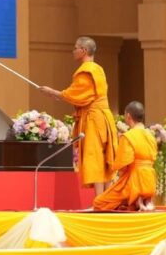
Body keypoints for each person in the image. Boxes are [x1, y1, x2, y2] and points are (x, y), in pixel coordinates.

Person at [40, 36, 118, 196]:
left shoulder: (86, 71)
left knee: (95, 157)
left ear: (84, 50)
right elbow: (81, 96)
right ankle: (106, 199)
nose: (73, 51)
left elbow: (75, 94)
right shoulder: (99, 69)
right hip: (104, 117)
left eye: (75, 48)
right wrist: (59, 95)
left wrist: (52, 92)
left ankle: (100, 200)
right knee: (104, 157)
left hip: (94, 118)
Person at [93, 101, 156, 211]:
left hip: (134, 182)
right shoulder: (151, 136)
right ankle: (139, 201)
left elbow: (122, 166)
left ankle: (134, 199)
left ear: (128, 116)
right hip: (150, 182)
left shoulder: (128, 136)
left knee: (99, 203)